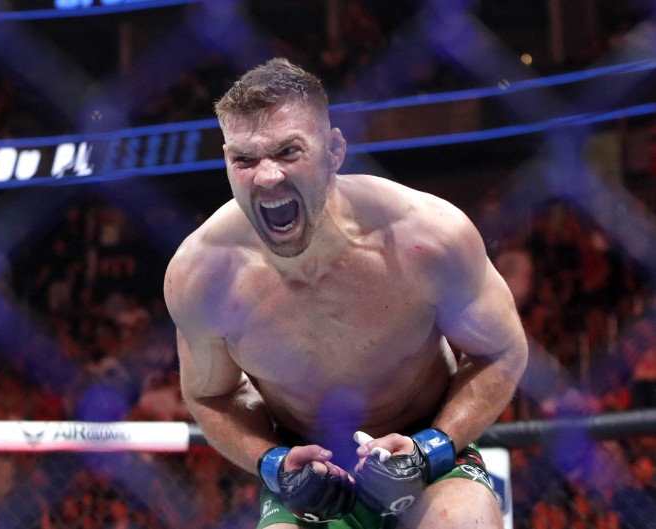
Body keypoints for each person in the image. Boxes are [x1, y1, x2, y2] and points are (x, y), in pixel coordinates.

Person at [163, 58, 528, 529]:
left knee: (465, 520)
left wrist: (431, 447)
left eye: (289, 151)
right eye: (245, 159)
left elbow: (502, 351)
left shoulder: (426, 235)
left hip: (428, 455)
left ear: (334, 150)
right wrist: (273, 462)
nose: (268, 176)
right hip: (311, 477)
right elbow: (210, 397)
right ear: (227, 162)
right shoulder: (201, 275)